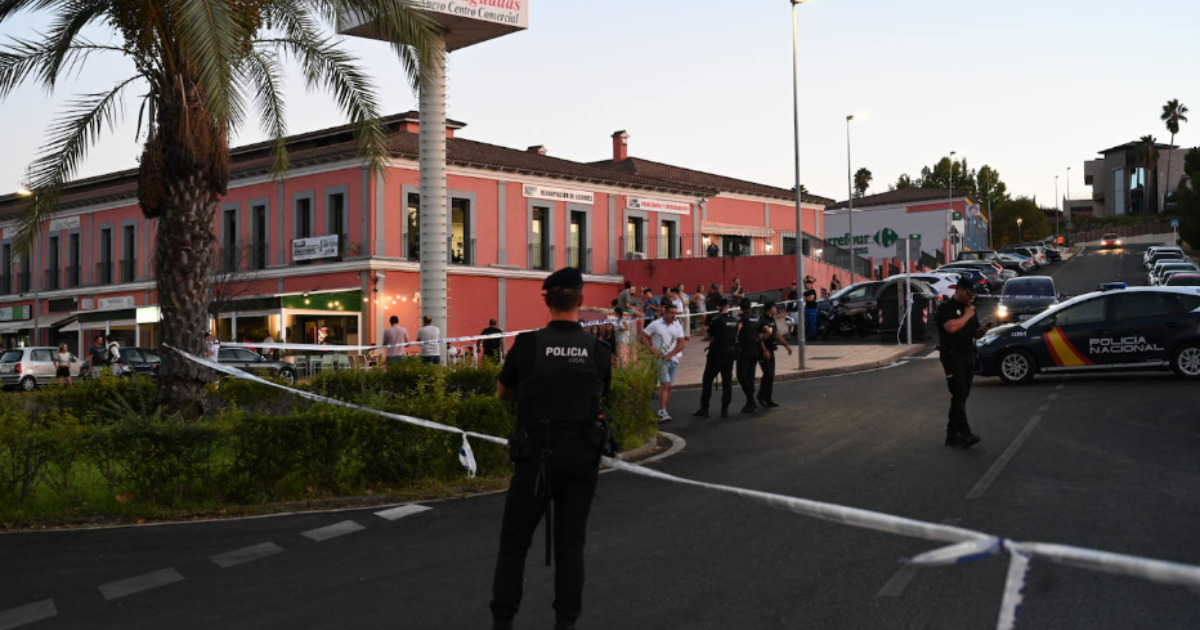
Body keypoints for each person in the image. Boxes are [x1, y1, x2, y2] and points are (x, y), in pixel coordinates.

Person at [490, 267, 613, 630]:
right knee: (571, 545)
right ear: (582, 299)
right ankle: (565, 623)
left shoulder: (528, 345)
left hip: (535, 456)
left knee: (514, 543)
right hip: (581, 456)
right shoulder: (599, 350)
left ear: (546, 300)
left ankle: (503, 622)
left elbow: (502, 392)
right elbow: (601, 394)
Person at [935, 279, 991, 448]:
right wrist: (968, 315)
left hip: (968, 354)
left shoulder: (969, 310)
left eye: (972, 295)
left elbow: (973, 332)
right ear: (958, 290)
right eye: (967, 294)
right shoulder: (945, 308)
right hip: (952, 356)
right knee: (959, 393)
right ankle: (965, 433)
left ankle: (951, 434)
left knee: (962, 395)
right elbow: (952, 327)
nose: (969, 298)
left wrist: (982, 331)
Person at [693, 297, 738, 418]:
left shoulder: (717, 321)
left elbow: (709, 335)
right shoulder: (735, 320)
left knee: (707, 380)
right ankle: (725, 409)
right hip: (730, 353)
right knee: (727, 381)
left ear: (719, 307)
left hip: (717, 354)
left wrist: (707, 329)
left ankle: (704, 408)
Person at [641, 302, 686, 423]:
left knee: (670, 387)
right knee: (665, 384)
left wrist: (670, 354)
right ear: (665, 312)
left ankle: (664, 408)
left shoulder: (677, 325)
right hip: (659, 359)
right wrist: (651, 348)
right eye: (671, 313)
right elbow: (643, 335)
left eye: (675, 313)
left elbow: (682, 343)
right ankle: (662, 411)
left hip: (673, 359)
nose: (673, 315)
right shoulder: (656, 324)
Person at [757, 302, 793, 408]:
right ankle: (760, 396)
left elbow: (777, 333)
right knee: (768, 373)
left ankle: (768, 399)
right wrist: (764, 351)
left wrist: (786, 346)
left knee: (771, 374)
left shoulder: (771, 319)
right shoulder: (761, 320)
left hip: (771, 349)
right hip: (763, 351)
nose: (775, 309)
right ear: (770, 308)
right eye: (774, 308)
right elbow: (759, 338)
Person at [735, 298, 765, 413]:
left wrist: (735, 340)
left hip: (744, 349)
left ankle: (751, 400)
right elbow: (765, 331)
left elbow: (738, 329)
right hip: (755, 348)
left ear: (741, 308)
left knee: (741, 375)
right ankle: (750, 402)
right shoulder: (757, 318)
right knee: (751, 375)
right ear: (750, 307)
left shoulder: (742, 318)